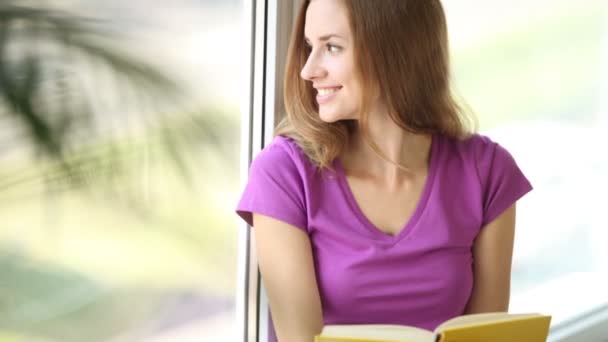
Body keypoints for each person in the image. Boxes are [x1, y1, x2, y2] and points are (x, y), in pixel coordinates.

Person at [236, 1, 532, 341]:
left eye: (331, 47)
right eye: (308, 46)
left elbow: (487, 337)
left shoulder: (487, 174)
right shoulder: (284, 175)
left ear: (396, 49)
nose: (308, 70)